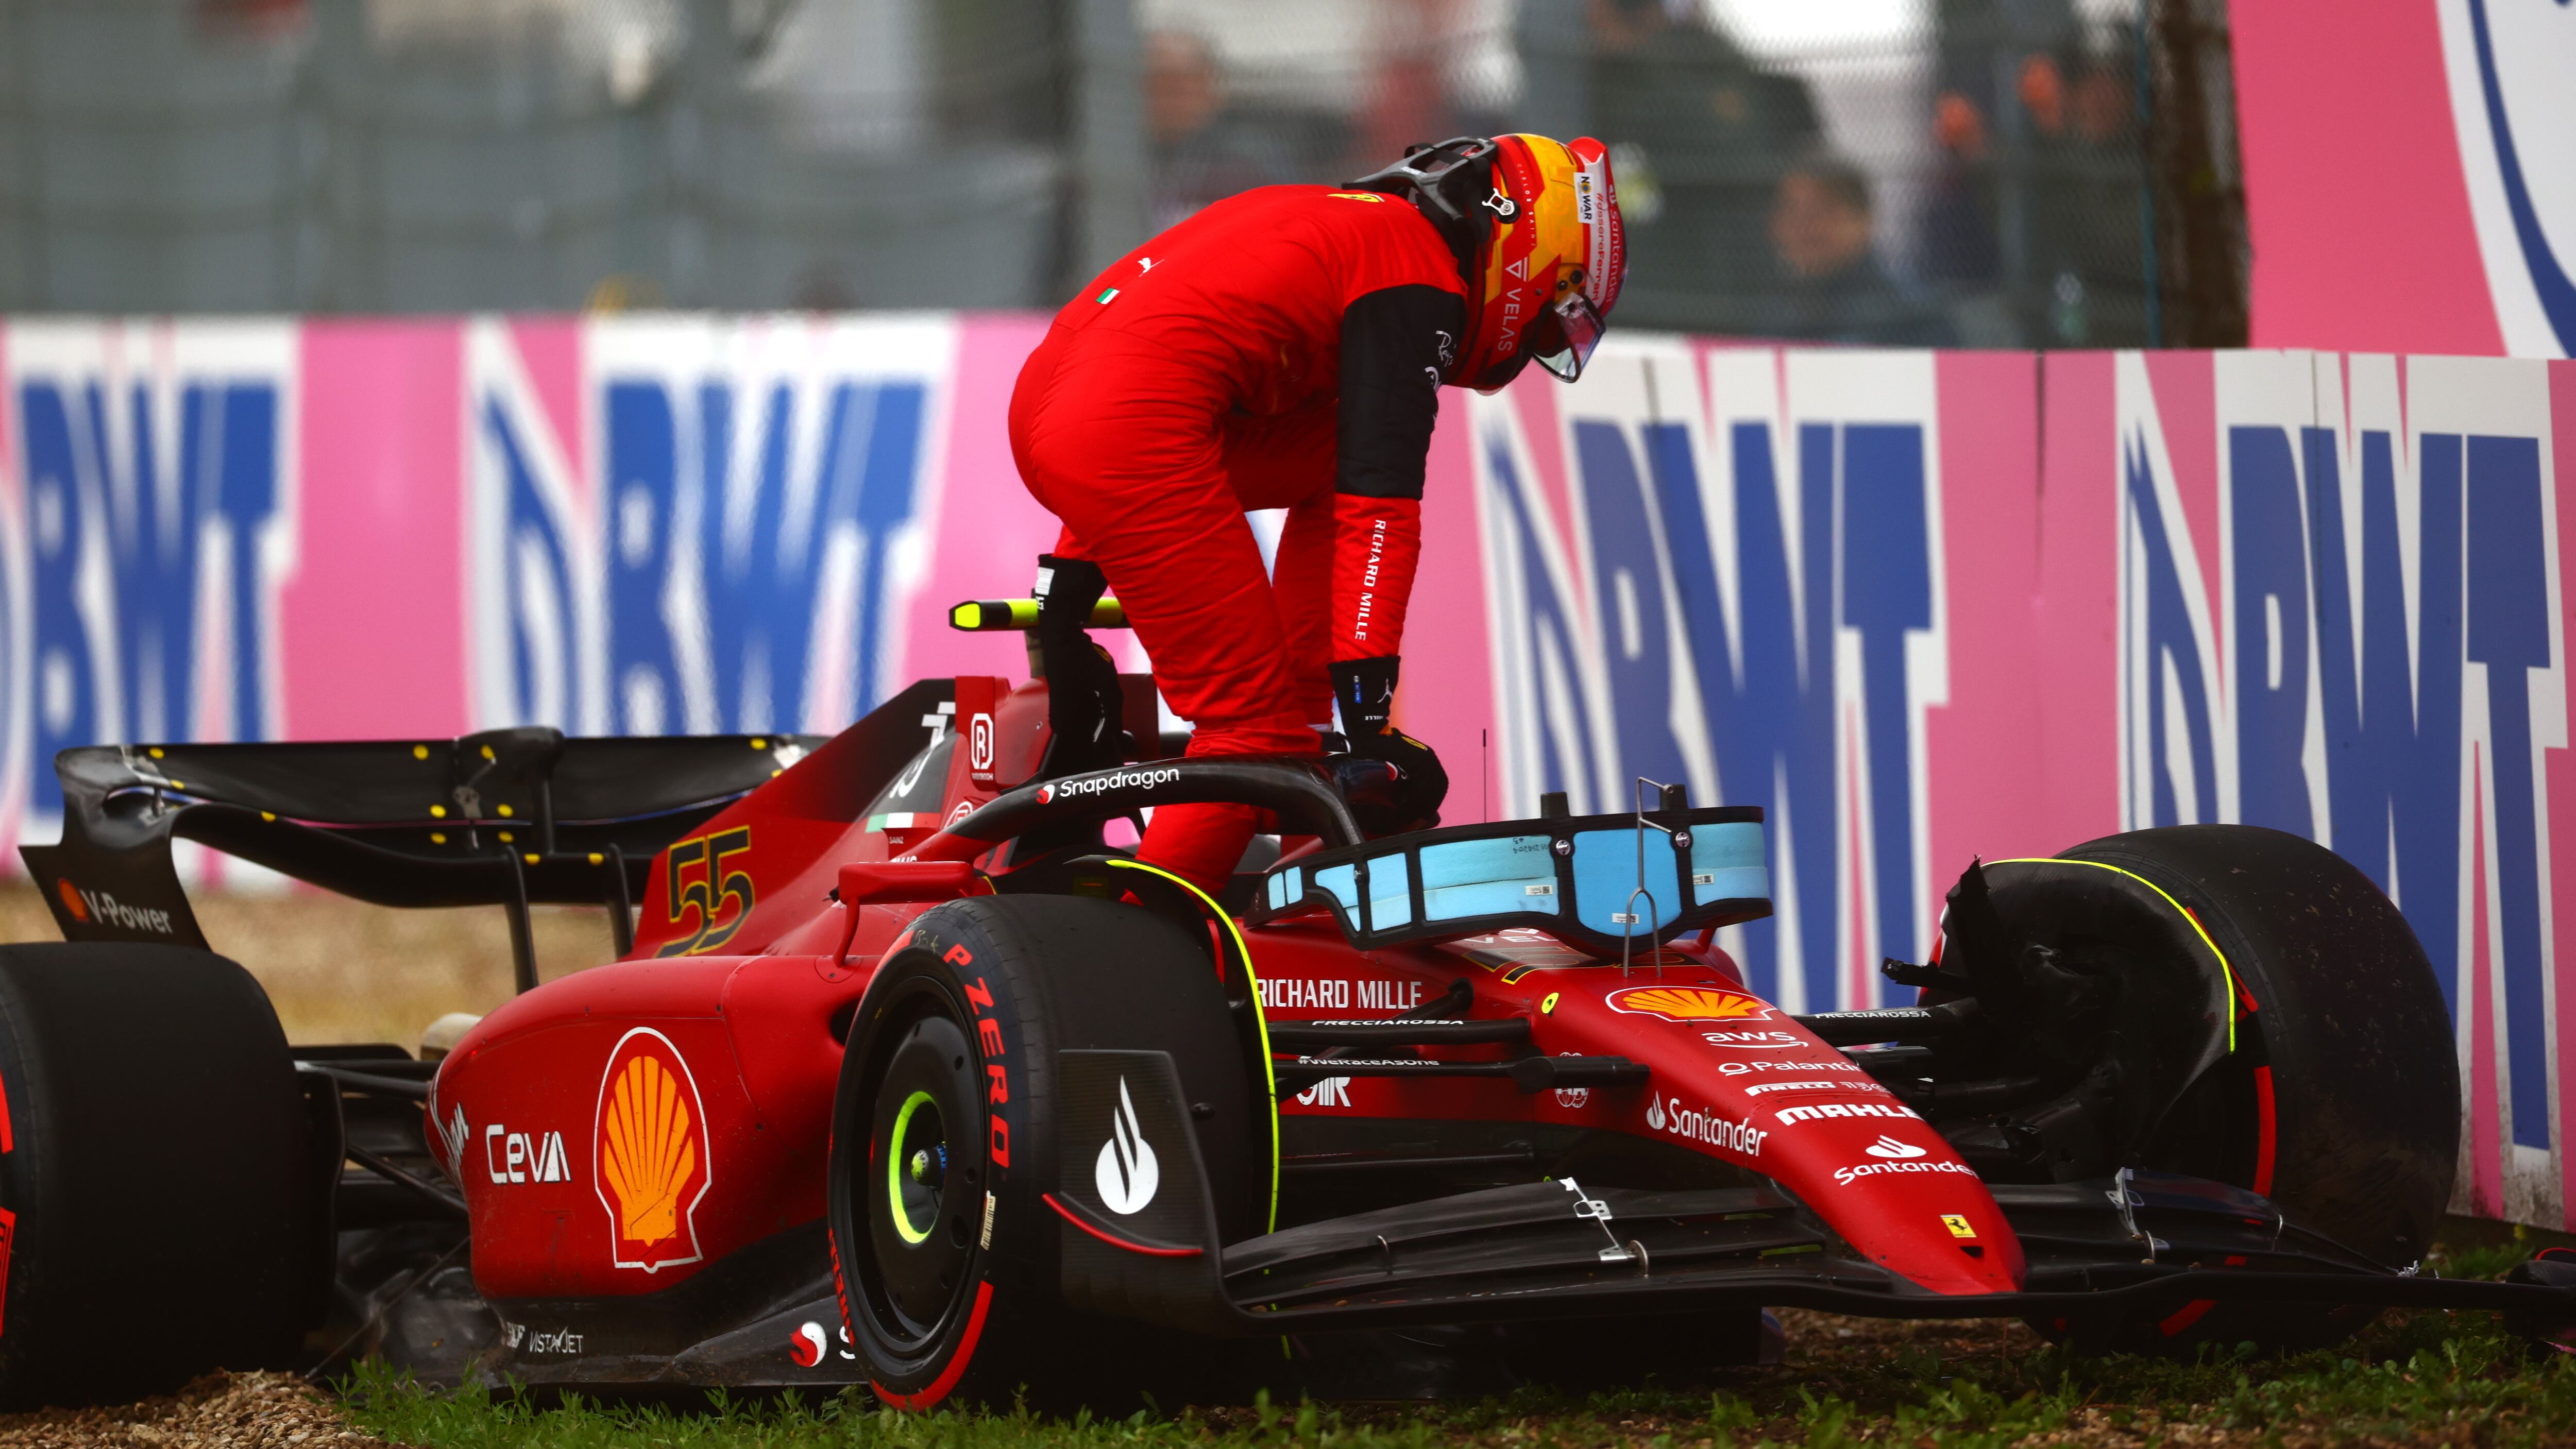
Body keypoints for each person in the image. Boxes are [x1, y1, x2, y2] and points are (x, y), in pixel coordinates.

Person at [1008, 134, 1626, 893]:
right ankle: (1127, 955)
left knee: (1283, 720)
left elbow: (1133, 362)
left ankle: (1299, 724)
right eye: (1555, 319)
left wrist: (1066, 592)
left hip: (1051, 410)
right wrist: (1373, 726)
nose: (1541, 343)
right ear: (1529, 265)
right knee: (1249, 744)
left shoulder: (1340, 218)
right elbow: (1382, 510)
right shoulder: (1417, 276)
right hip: (1124, 430)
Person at [1761, 152, 1954, 346]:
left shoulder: (1910, 313)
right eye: (1793, 213)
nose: (1805, 228)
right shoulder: (1770, 310)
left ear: (1864, 219)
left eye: (1822, 212)